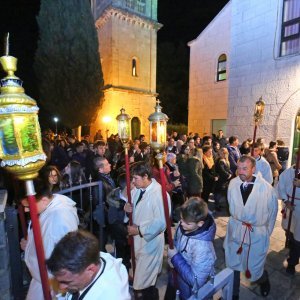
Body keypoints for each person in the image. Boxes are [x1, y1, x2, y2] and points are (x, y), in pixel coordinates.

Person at [223, 155, 278, 299]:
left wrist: (265, 233)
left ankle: (263, 280)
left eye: (245, 168)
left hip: (256, 234)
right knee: (232, 264)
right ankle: (233, 294)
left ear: (253, 169)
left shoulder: (267, 189)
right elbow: (231, 204)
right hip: (236, 231)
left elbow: (272, 215)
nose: (240, 171)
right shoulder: (233, 184)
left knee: (253, 269)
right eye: (238, 168)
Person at [20, 181, 79, 299]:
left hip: (53, 283)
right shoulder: (48, 208)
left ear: (44, 200)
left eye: (28, 206)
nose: (26, 210)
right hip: (42, 279)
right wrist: (30, 245)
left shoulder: (61, 218)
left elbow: (65, 256)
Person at [125, 162, 170, 299]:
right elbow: (134, 210)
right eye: (132, 178)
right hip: (137, 240)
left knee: (141, 284)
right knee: (145, 281)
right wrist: (127, 210)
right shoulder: (136, 190)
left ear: (146, 177)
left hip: (150, 243)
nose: (132, 182)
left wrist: (138, 230)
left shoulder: (159, 194)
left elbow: (161, 222)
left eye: (135, 178)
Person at [46, 230, 130, 300]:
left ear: (90, 270)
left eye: (67, 282)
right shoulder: (91, 257)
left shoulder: (111, 296)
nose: (61, 287)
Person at [167, 197, 216, 299]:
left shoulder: (203, 248)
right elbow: (177, 243)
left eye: (187, 223)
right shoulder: (184, 224)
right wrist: (172, 258)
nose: (181, 224)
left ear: (200, 223)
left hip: (190, 293)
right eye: (181, 219)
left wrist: (175, 257)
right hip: (177, 280)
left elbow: (196, 281)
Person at [278, 164, 300, 275]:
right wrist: (286, 201)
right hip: (289, 206)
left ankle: (292, 262)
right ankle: (290, 243)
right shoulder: (287, 172)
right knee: (288, 229)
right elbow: (281, 187)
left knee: (298, 237)